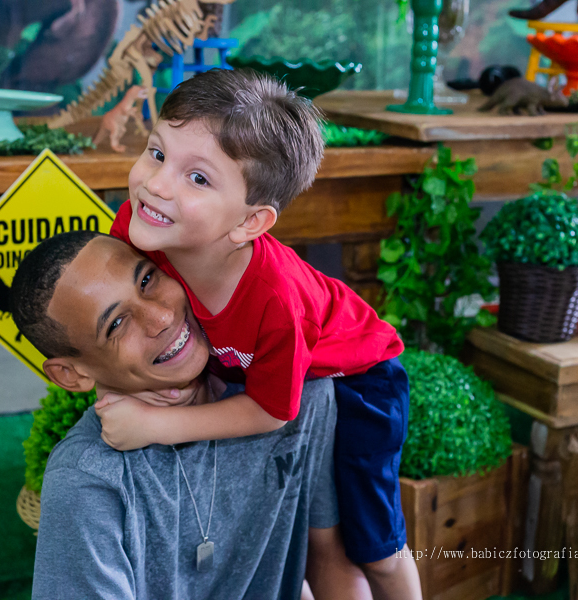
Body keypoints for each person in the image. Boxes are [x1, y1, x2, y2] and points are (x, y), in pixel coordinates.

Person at [100, 68, 422, 598]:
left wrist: (155, 426)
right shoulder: (143, 227)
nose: (155, 184)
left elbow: (274, 410)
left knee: (371, 546)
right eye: (157, 153)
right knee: (303, 533)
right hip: (256, 371)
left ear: (250, 223)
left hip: (360, 380)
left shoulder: (276, 299)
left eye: (197, 178)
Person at [10, 231, 372, 599]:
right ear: (71, 375)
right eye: (116, 324)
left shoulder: (299, 395)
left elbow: (328, 558)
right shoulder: (87, 479)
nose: (162, 316)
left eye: (148, 279)